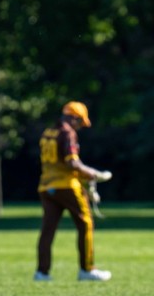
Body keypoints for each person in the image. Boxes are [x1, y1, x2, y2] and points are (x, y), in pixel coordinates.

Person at [34, 101, 114, 282]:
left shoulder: (48, 132)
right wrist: (93, 174)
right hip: (67, 186)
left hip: (46, 186)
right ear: (74, 118)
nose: (80, 127)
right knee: (85, 223)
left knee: (47, 230)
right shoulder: (68, 133)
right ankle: (87, 269)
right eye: (80, 122)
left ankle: (42, 272)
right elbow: (72, 163)